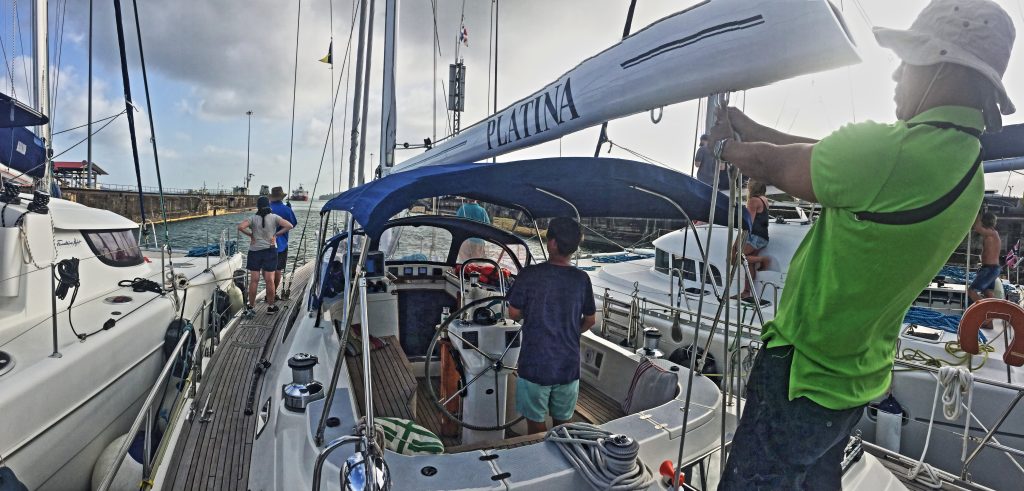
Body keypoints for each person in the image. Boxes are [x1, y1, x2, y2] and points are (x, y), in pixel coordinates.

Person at [705, 1, 1016, 488]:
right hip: (859, 381)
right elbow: (832, 158)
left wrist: (726, 145)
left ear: (940, 68)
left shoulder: (887, 154)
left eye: (908, 61)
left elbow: (776, 164)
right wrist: (755, 129)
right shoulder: (966, 169)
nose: (896, 76)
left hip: (803, 377)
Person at [507, 218, 596, 434]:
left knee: (536, 427)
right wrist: (571, 332)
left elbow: (513, 313)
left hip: (535, 363)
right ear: (575, 247)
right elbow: (590, 320)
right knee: (563, 426)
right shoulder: (582, 279)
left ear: (552, 243)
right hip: (568, 364)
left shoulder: (529, 275)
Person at [238, 196, 294, 315]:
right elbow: (289, 225)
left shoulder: (252, 218)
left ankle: (251, 306)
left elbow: (240, 227)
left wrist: (250, 235)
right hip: (270, 250)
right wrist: (276, 235)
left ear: (258, 206)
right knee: (269, 280)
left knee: (254, 280)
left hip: (254, 251)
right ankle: (271, 306)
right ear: (268, 206)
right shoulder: (274, 217)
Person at [737, 179, 770, 301]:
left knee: (739, 256)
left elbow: (748, 222)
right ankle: (746, 292)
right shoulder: (764, 200)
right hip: (763, 236)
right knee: (749, 263)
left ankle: (763, 260)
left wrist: (738, 240)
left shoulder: (753, 201)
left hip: (755, 237)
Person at [969, 211, 1002, 305]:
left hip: (990, 269)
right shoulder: (992, 234)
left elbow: (977, 227)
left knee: (972, 291)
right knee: (988, 293)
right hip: (992, 268)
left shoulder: (991, 233)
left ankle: (984, 310)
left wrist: (977, 213)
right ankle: (993, 315)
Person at [268, 186, 298, 290]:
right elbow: (293, 224)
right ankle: (273, 292)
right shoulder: (286, 209)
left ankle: (268, 291)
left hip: (265, 244)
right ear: (281, 197)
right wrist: (289, 209)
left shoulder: (266, 209)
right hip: (281, 244)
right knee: (278, 269)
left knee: (267, 270)